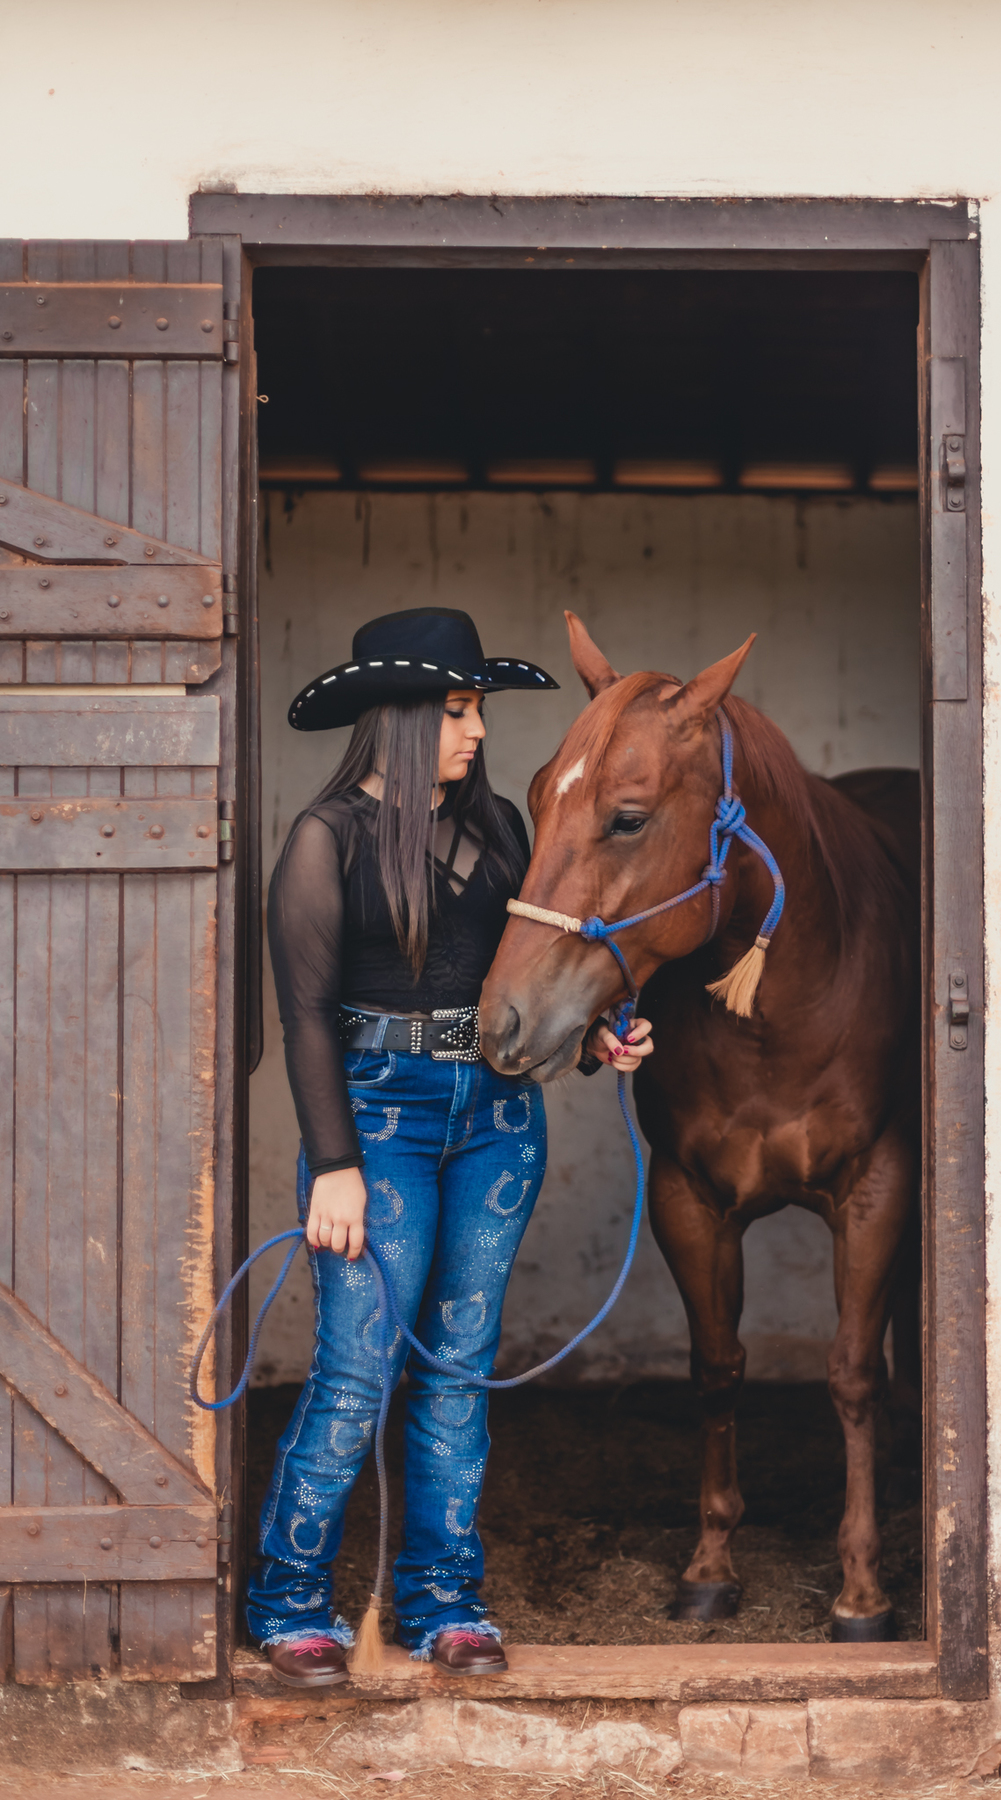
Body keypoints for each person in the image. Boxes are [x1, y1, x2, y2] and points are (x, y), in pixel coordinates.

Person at [247, 607, 653, 1689]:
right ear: (402, 719)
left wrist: (599, 1039)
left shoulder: (503, 838)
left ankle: (443, 1602)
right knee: (356, 1368)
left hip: (496, 1120)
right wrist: (333, 1163)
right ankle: (289, 1600)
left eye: (478, 710)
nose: (477, 731)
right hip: (376, 1118)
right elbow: (303, 1015)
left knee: (459, 1372)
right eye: (459, 710)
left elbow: (528, 983)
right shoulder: (323, 841)